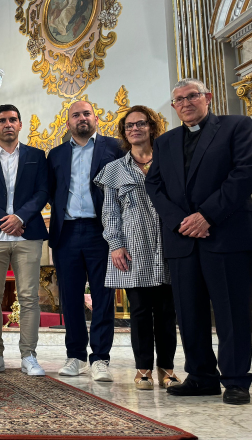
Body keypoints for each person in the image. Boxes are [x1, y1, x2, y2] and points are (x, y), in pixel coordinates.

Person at [146, 78, 252, 405]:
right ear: (173, 107)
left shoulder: (237, 127)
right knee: (189, 312)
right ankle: (201, 376)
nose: (186, 103)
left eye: (192, 96)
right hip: (182, 240)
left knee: (231, 311)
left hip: (225, 235)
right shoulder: (165, 142)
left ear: (208, 97)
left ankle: (236, 380)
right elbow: (154, 186)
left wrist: (207, 215)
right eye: (179, 99)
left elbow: (244, 173)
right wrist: (181, 221)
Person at [94, 106, 181, 390]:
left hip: (169, 244)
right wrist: (116, 245)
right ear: (124, 133)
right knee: (140, 312)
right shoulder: (114, 169)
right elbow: (110, 212)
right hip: (134, 247)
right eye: (129, 126)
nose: (135, 129)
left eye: (140, 124)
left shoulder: (170, 162)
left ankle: (167, 369)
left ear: (152, 127)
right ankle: (143, 369)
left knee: (167, 312)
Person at [0, 105, 49, 377]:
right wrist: (6, 219)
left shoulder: (36, 156)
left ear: (20, 124)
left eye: (13, 120)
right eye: (2, 120)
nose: (8, 124)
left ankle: (29, 356)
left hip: (28, 234)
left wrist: (20, 217)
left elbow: (43, 192)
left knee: (29, 297)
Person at [48, 100, 122, 381]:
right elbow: (52, 191)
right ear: (68, 122)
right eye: (76, 115)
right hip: (66, 232)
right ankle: (76, 356)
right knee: (70, 297)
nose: (82, 118)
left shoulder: (114, 148)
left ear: (96, 118)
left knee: (103, 296)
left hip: (101, 231)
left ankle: (100, 358)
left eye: (87, 113)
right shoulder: (56, 154)